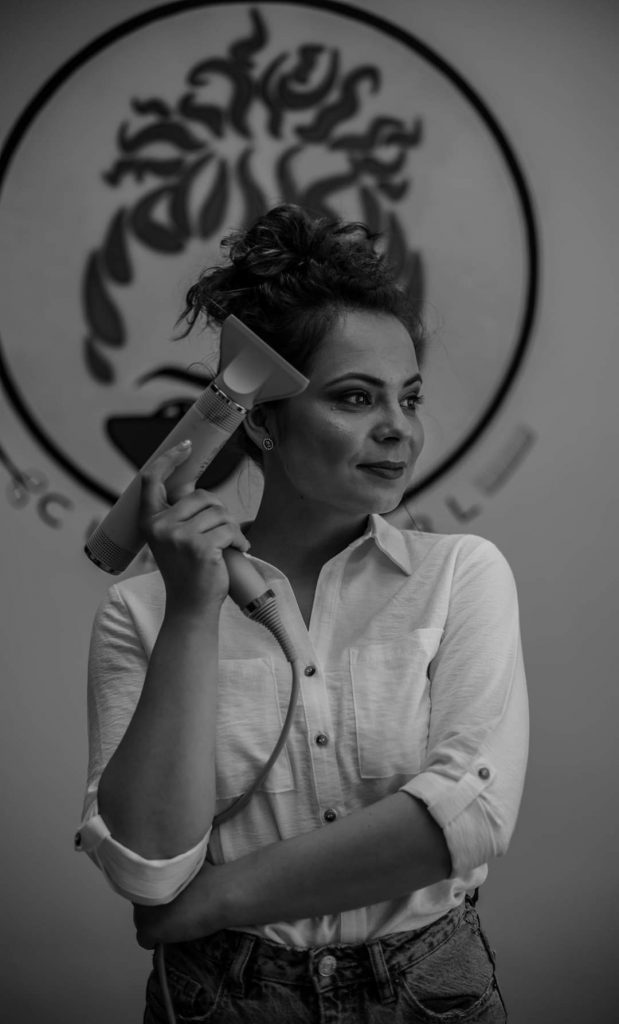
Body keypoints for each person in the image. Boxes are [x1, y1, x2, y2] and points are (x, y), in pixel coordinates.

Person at [76, 203, 528, 1023]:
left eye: (408, 399)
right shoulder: (140, 612)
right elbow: (146, 869)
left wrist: (212, 901)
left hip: (430, 993)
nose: (397, 430)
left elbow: (467, 815)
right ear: (259, 418)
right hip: (222, 1000)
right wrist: (191, 615)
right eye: (355, 398)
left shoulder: (460, 574)